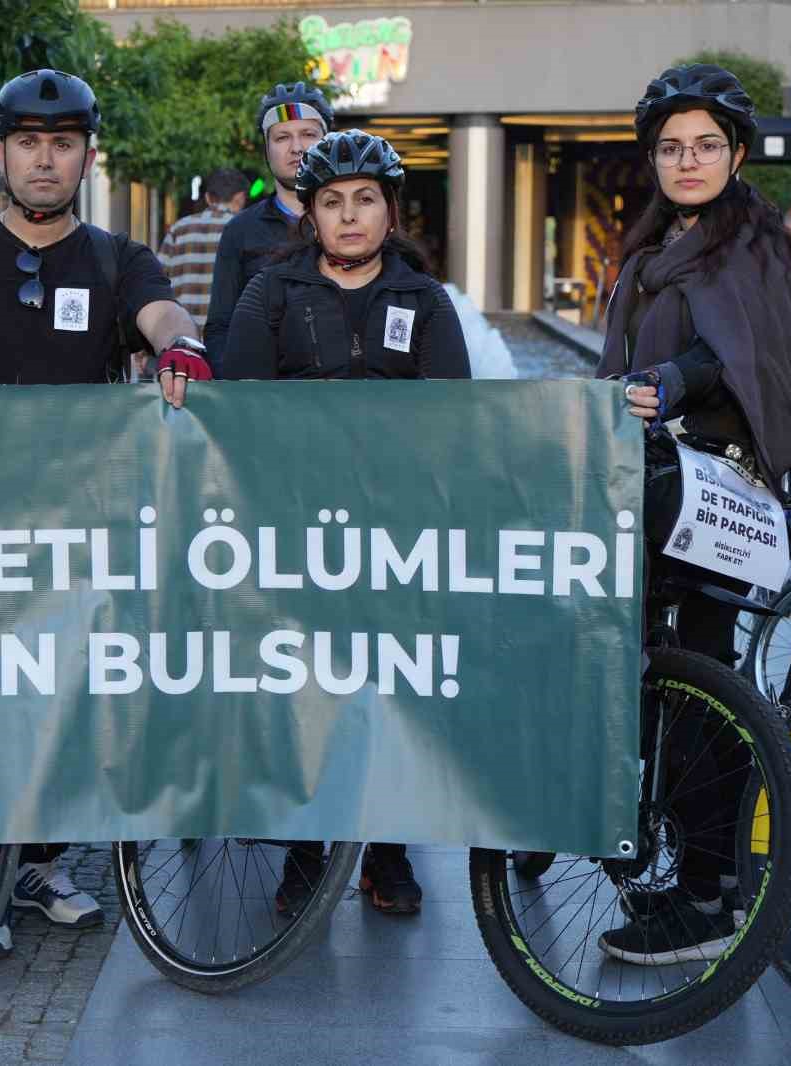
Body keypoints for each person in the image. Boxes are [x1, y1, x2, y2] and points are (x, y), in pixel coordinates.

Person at [0, 69, 208, 955]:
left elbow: (161, 313)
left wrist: (181, 345)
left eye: (63, 144)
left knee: (64, 697)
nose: (45, 159)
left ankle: (42, 864)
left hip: (78, 523)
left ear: (86, 157)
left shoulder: (115, 258)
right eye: (28, 143)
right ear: (1, 153)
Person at [595, 64, 791, 964]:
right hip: (656, 494)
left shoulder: (753, 247)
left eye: (706, 146)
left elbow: (742, 357)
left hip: (721, 500)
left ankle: (710, 896)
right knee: (670, 680)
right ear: (653, 159)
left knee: (700, 690)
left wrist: (674, 380)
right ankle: (700, 877)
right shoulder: (656, 246)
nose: (688, 161)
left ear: (736, 154)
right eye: (671, 148)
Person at [223, 129, 470, 916]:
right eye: (332, 202)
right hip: (299, 527)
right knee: (310, 691)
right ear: (310, 214)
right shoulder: (272, 293)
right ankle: (308, 849)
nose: (350, 215)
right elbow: (238, 409)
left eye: (366, 200)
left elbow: (457, 417)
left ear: (391, 211)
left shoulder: (424, 300)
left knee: (391, 692)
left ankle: (387, 851)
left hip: (396, 532)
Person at [204, 82, 334, 371]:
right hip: (262, 391)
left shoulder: (355, 224)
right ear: (266, 148)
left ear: (327, 142)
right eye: (282, 137)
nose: (297, 147)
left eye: (308, 134)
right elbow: (220, 328)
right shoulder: (240, 231)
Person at [156, 167, 249, 331]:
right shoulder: (244, 230)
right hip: (224, 335)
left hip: (181, 333)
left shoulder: (179, 228)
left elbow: (157, 279)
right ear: (240, 198)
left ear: (207, 198)